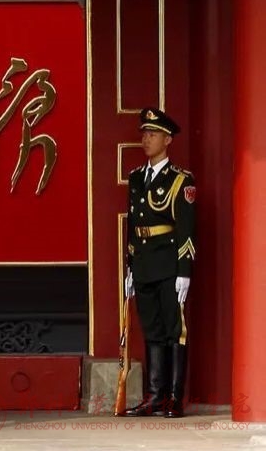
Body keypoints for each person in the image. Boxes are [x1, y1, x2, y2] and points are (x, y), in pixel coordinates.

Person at [123, 107, 195, 418]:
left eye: (152, 134)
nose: (146, 139)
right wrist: (130, 266)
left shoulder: (181, 180)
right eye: (144, 134)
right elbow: (133, 224)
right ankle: (154, 396)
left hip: (168, 264)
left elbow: (186, 229)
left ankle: (174, 398)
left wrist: (184, 271)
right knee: (151, 329)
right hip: (143, 264)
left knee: (174, 330)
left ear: (167, 140)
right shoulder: (136, 177)